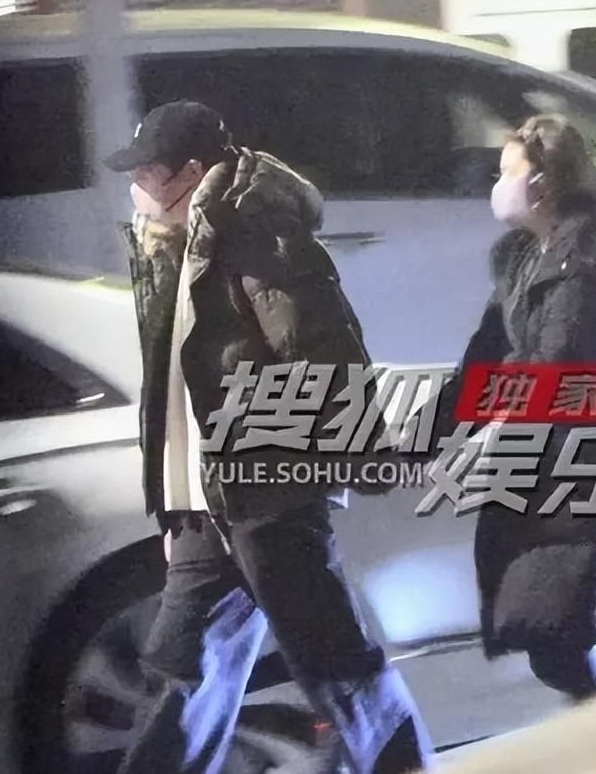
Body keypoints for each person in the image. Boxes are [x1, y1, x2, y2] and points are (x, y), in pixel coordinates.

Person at [107, 100, 432, 774]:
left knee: (333, 663)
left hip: (269, 487)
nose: (134, 184)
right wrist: (175, 504)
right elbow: (173, 386)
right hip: (208, 499)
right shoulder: (175, 243)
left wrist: (358, 453)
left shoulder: (258, 232)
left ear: (189, 173)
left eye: (146, 170)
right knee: (179, 670)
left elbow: (321, 349)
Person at [420, 115, 596, 700]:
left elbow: (559, 371)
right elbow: (488, 356)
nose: (496, 186)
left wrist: (489, 426)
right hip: (542, 468)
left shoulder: (589, 263)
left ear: (540, 184)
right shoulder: (525, 258)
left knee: (563, 634)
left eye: (506, 172)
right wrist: (425, 432)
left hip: (584, 471)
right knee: (546, 634)